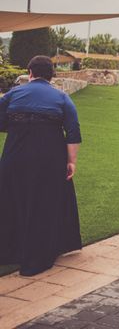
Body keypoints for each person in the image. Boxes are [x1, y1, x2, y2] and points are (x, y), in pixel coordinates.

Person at [0, 56, 82, 276]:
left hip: (14, 157)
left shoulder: (13, 94)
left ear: (30, 72)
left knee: (11, 200)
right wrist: (71, 161)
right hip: (49, 160)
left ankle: (8, 251)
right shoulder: (62, 98)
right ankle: (37, 255)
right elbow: (73, 132)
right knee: (43, 204)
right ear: (52, 75)